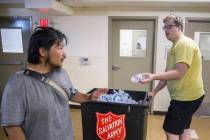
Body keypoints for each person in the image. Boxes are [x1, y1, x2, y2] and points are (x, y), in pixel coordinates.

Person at [1, 27, 107, 140]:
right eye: (60, 48)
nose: (64, 55)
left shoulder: (61, 73)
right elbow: (12, 126)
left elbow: (71, 94)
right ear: (42, 51)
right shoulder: (17, 84)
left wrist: (89, 97)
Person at [140, 15, 204, 140]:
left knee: (170, 130)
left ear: (179, 27)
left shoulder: (183, 44)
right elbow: (168, 73)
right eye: (165, 27)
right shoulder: (174, 48)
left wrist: (152, 76)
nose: (166, 30)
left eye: (170, 26)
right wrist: (155, 91)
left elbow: (179, 72)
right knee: (184, 128)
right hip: (189, 96)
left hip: (185, 99)